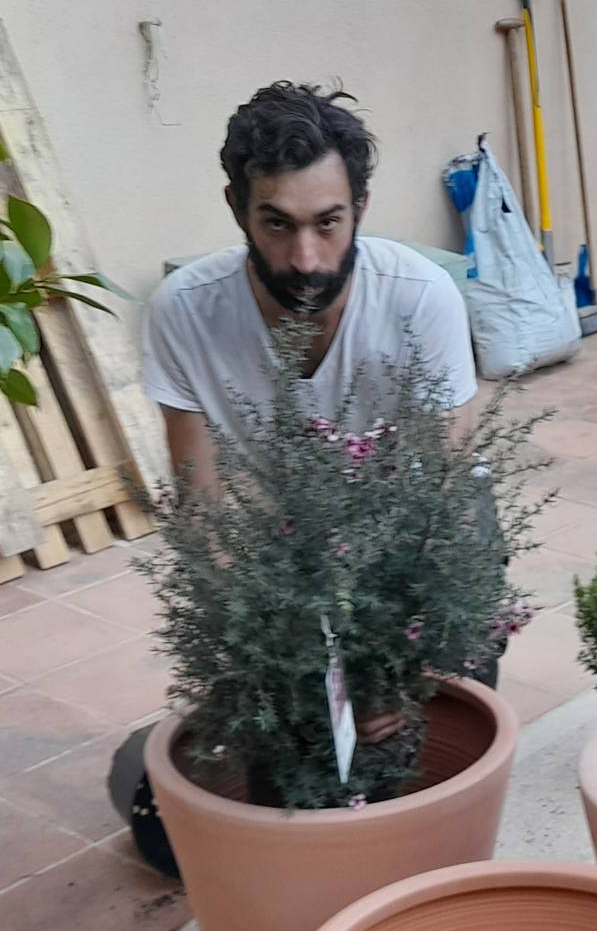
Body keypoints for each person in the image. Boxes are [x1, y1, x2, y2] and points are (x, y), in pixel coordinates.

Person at [110, 83, 483, 872]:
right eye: (276, 224)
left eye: (328, 222)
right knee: (183, 830)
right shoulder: (186, 310)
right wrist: (269, 662)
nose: (305, 259)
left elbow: (439, 500)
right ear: (237, 207)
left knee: (409, 760)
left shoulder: (421, 299)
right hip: (274, 547)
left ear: (362, 206)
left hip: (404, 542)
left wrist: (395, 663)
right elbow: (203, 511)